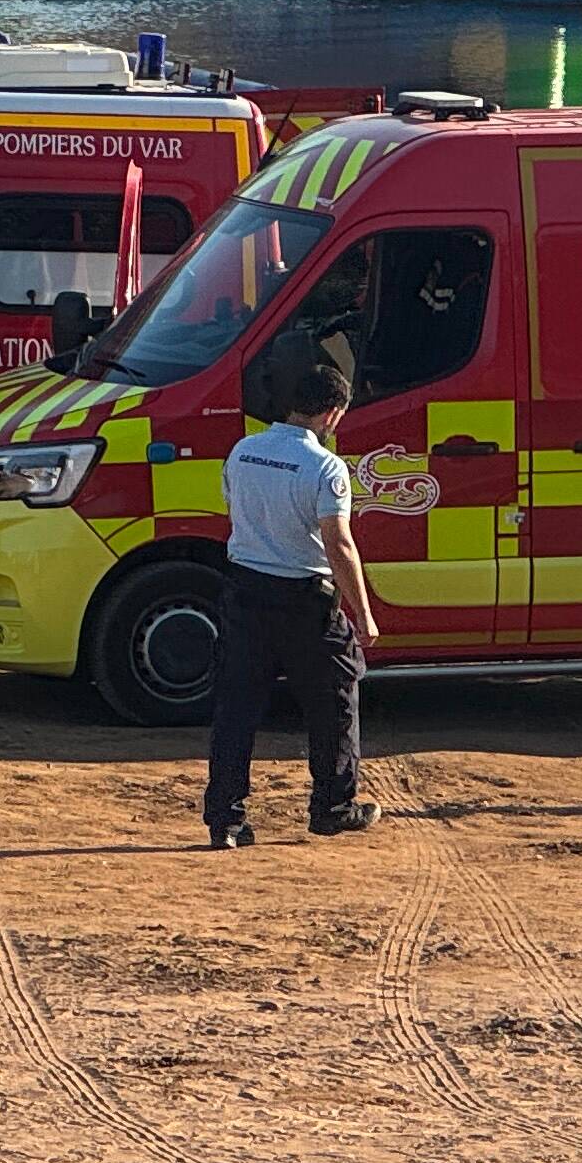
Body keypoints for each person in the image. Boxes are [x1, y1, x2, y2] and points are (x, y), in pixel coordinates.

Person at [203, 326, 383, 848]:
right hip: (306, 603)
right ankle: (332, 805)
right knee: (334, 702)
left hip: (245, 593)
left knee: (236, 711)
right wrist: (363, 613)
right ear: (331, 414)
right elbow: (339, 545)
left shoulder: (243, 452)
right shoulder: (325, 466)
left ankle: (226, 819)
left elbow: (236, 511)